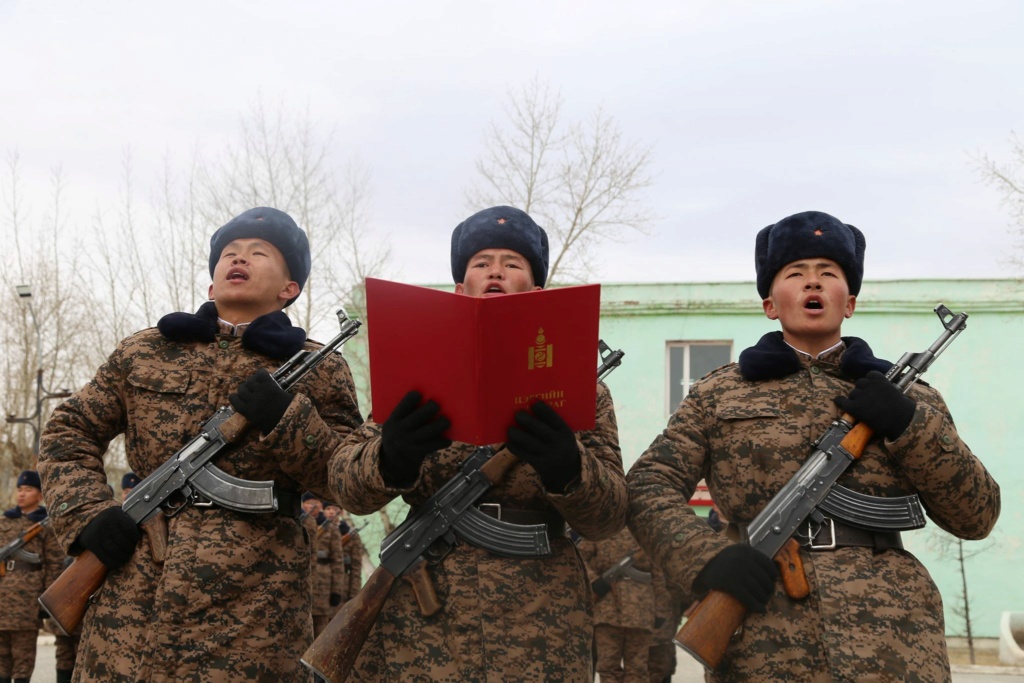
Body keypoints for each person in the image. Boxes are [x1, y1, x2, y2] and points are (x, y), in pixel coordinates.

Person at [627, 210, 1001, 681]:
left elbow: (978, 515)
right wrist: (708, 559)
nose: (813, 284)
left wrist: (910, 426)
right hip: (765, 637)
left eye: (829, 274)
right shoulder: (717, 393)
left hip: (894, 638)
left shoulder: (909, 398)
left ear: (850, 303)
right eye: (795, 273)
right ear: (770, 303)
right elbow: (646, 485)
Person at [38, 207, 363, 682]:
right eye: (229, 253)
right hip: (133, 614)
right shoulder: (145, 350)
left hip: (254, 617)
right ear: (212, 285)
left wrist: (287, 419)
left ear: (289, 289)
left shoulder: (320, 367)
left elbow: (349, 479)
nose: (240, 258)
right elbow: (68, 432)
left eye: (259, 253)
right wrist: (88, 518)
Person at [329, 205, 628, 680]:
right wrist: (392, 457)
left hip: (543, 620)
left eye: (512, 264)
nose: (495, 271)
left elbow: (609, 515)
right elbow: (347, 485)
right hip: (427, 621)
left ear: (537, 290)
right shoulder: (418, 375)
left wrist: (569, 469)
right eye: (481, 262)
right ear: (458, 288)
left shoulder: (582, 386)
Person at [0, 471, 63, 683]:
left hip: (28, 601)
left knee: (23, 659)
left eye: (28, 490)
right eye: (19, 490)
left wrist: (47, 602)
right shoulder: (4, 522)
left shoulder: (46, 526)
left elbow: (54, 564)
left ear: (39, 495)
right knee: (1, 661)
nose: (22, 494)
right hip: (2, 601)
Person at [577, 527, 658, 683]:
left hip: (641, 608)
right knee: (608, 666)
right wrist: (595, 582)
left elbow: (658, 572)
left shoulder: (645, 529)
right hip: (607, 607)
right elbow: (579, 557)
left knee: (638, 668)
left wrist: (661, 611)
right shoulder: (600, 527)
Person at [300, 493, 347, 637]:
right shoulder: (300, 523)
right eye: (309, 502)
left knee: (321, 628)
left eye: (316, 502)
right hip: (301, 581)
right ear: (303, 505)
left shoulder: (331, 528)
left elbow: (338, 561)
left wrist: (337, 590)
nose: (312, 506)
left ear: (320, 506)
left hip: (323, 585)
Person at [322, 502, 364, 608]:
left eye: (335, 509)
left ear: (341, 512)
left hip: (343, 587)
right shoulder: (317, 532)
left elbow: (356, 567)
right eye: (328, 509)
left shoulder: (351, 536)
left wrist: (354, 594)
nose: (331, 512)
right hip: (321, 584)